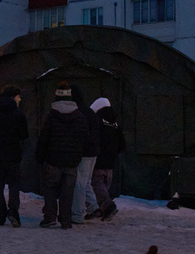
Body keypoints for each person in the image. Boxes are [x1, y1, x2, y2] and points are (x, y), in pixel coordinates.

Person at [35, 81, 90, 229]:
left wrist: (40, 157)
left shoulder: (51, 117)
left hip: (53, 161)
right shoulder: (80, 117)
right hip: (72, 162)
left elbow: (44, 138)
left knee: (51, 189)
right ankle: (66, 220)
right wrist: (78, 155)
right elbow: (85, 138)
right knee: (68, 192)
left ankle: (50, 218)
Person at [0, 84, 29, 227]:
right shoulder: (18, 114)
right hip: (13, 155)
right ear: (12, 97)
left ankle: (0, 215)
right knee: (14, 185)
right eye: (18, 96)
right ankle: (13, 211)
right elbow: (24, 135)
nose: (20, 99)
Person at [85, 97, 126, 221]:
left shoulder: (97, 122)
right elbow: (122, 144)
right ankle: (100, 210)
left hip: (98, 161)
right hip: (110, 163)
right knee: (103, 187)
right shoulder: (115, 124)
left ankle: (108, 207)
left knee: (94, 185)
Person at [70, 84, 101, 225]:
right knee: (86, 181)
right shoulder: (89, 112)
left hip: (84, 153)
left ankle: (77, 214)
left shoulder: (78, 113)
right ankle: (93, 207)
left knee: (79, 184)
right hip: (93, 152)